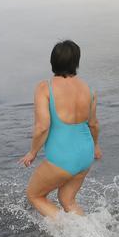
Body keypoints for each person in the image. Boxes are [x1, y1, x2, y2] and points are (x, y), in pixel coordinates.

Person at [20, 40, 101, 218]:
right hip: (85, 154)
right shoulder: (89, 89)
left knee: (35, 195)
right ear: (76, 62)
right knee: (67, 200)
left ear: (53, 61)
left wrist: (32, 152)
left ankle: (69, 232)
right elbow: (93, 124)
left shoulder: (44, 87)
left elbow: (42, 127)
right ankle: (88, 234)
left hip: (62, 157)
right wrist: (96, 147)